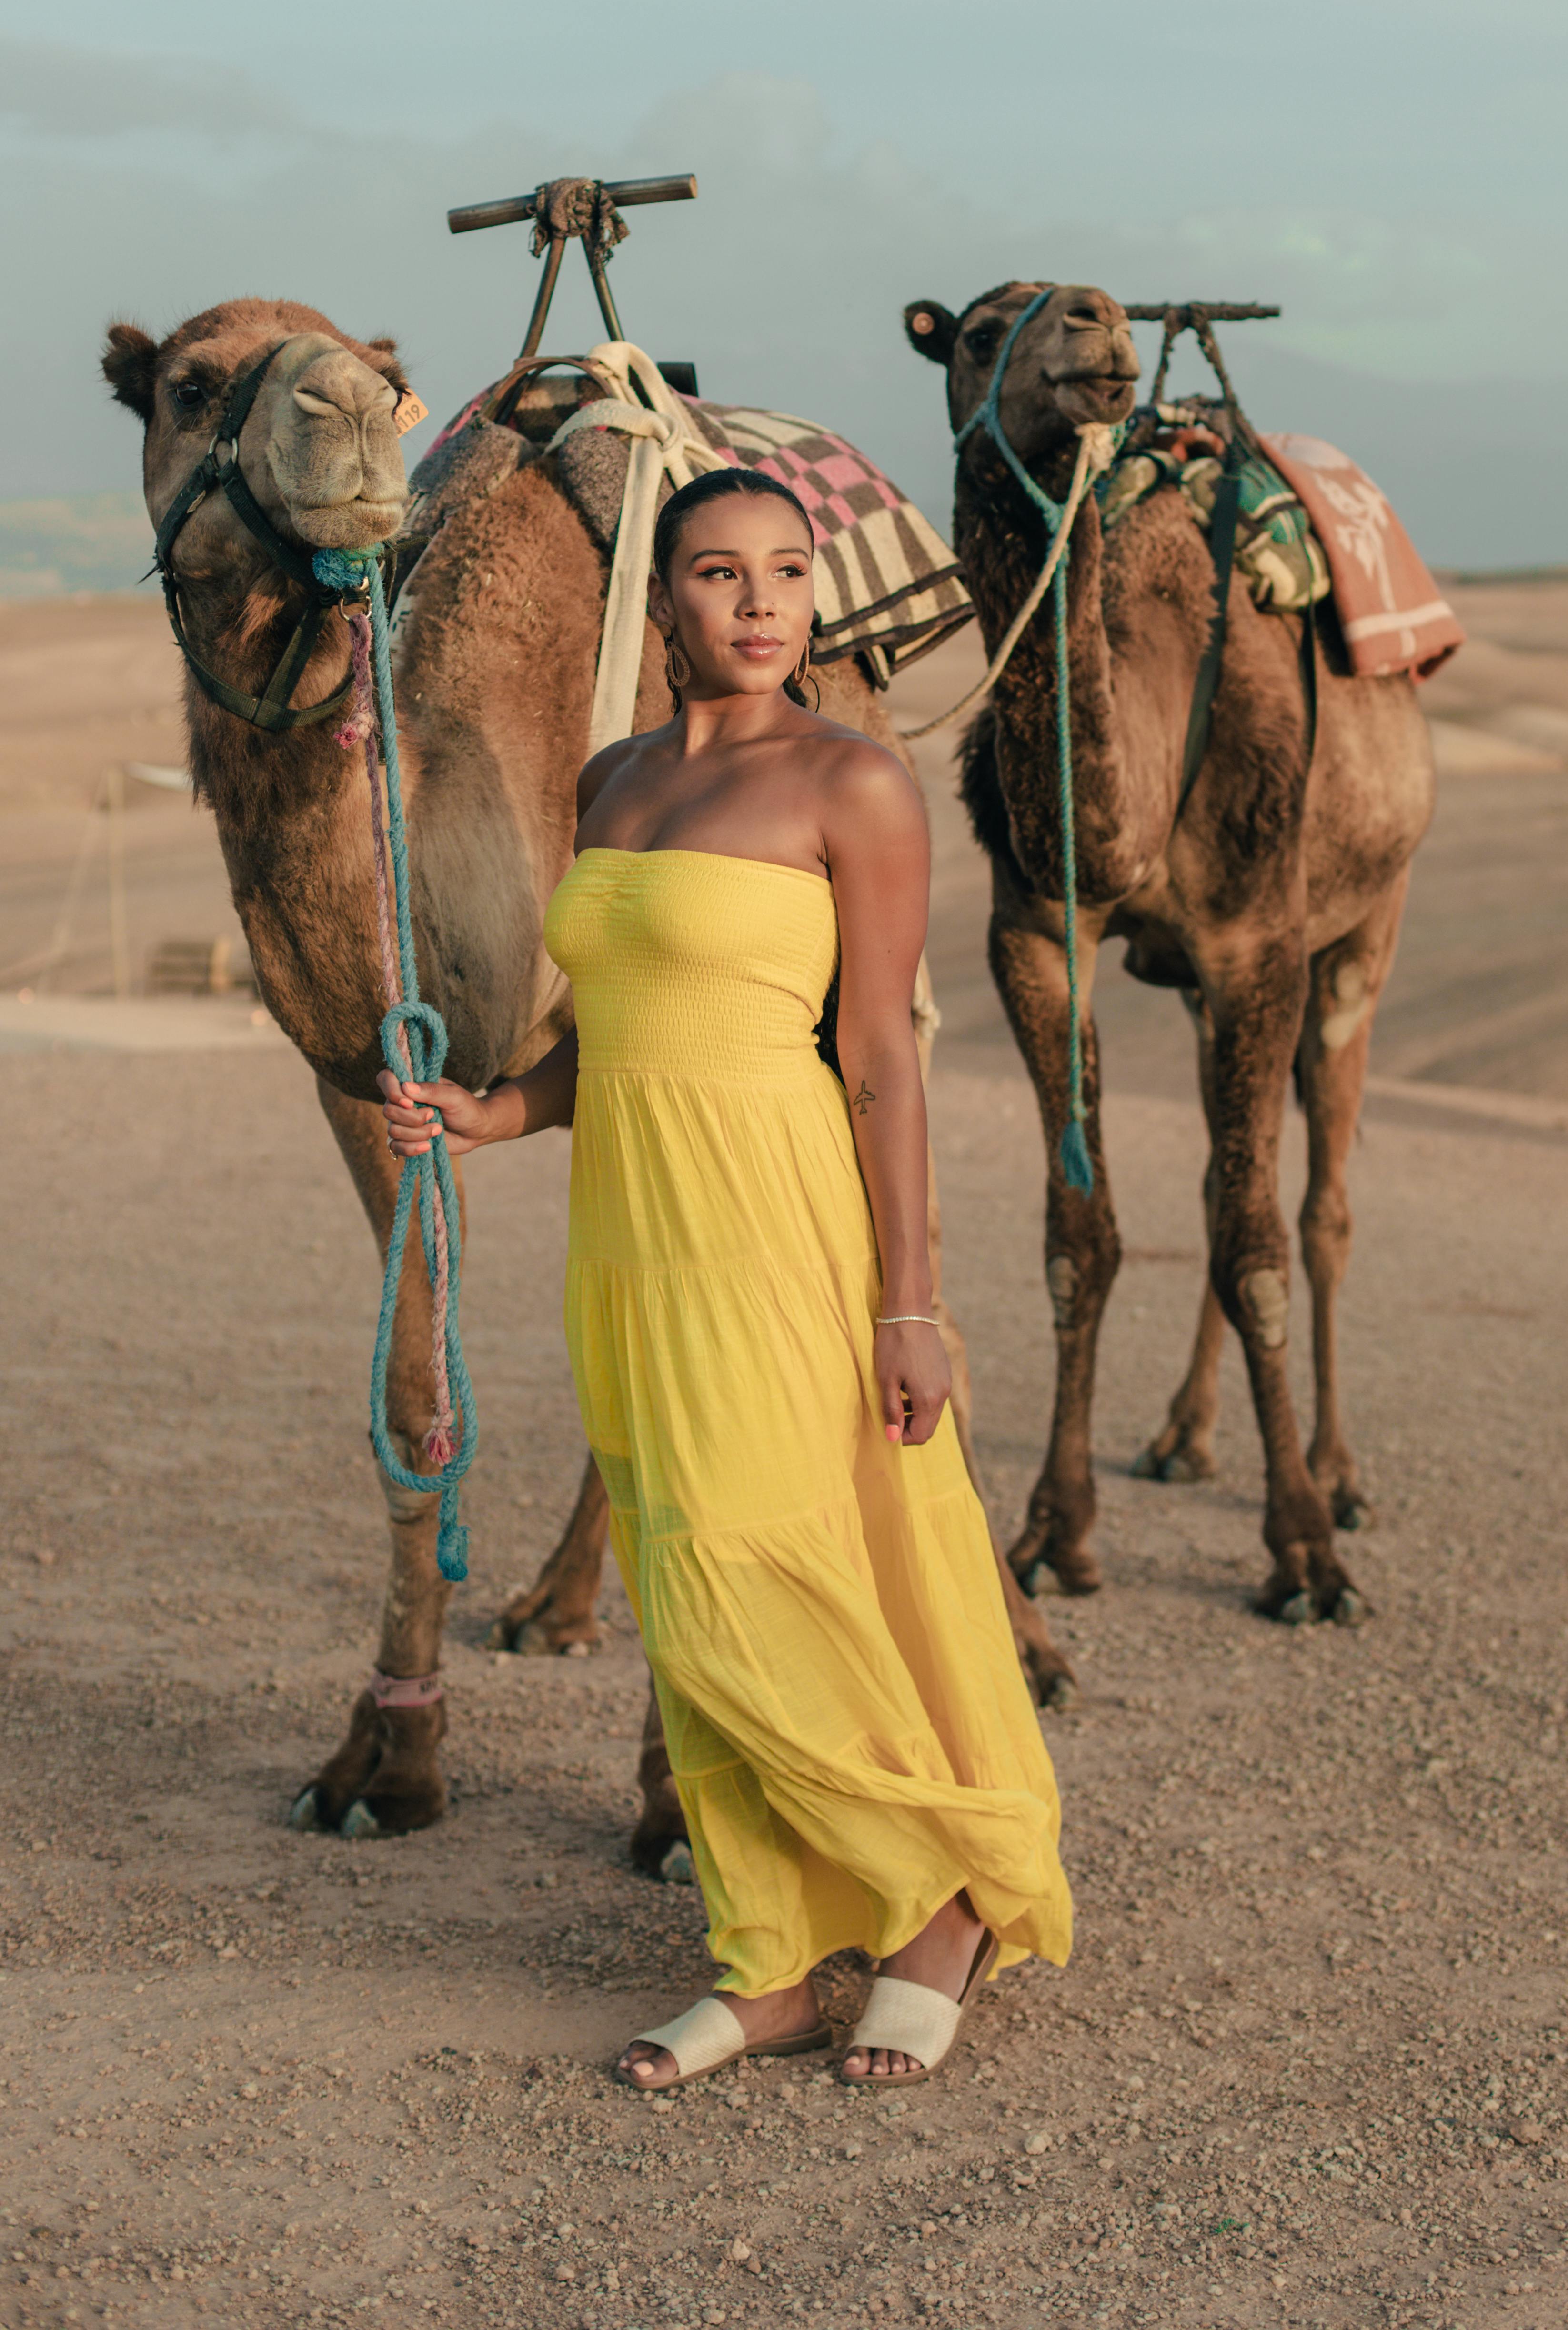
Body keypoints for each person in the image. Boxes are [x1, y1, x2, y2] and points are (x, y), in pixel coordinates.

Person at [382, 464, 1071, 2091]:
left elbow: (883, 1057)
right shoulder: (615, 779)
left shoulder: (855, 783)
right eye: (716, 573)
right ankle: (763, 1957)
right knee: (688, 1587)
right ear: (664, 602)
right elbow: (616, 1025)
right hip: (632, 1235)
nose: (760, 603)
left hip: (779, 1221)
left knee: (793, 1561)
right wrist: (493, 1111)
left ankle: (938, 1906)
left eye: (784, 571)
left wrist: (914, 1300)